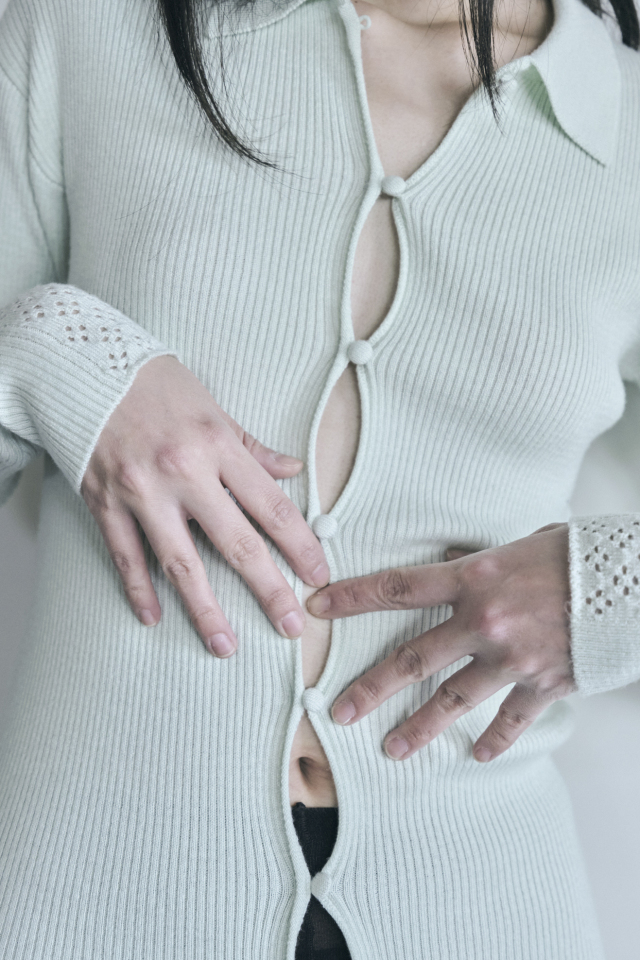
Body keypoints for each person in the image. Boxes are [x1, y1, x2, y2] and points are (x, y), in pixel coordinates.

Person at [1, 0, 640, 954]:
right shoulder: (85, 29)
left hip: (485, 900)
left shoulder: (624, 125)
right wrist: (46, 350)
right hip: (97, 887)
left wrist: (611, 591)